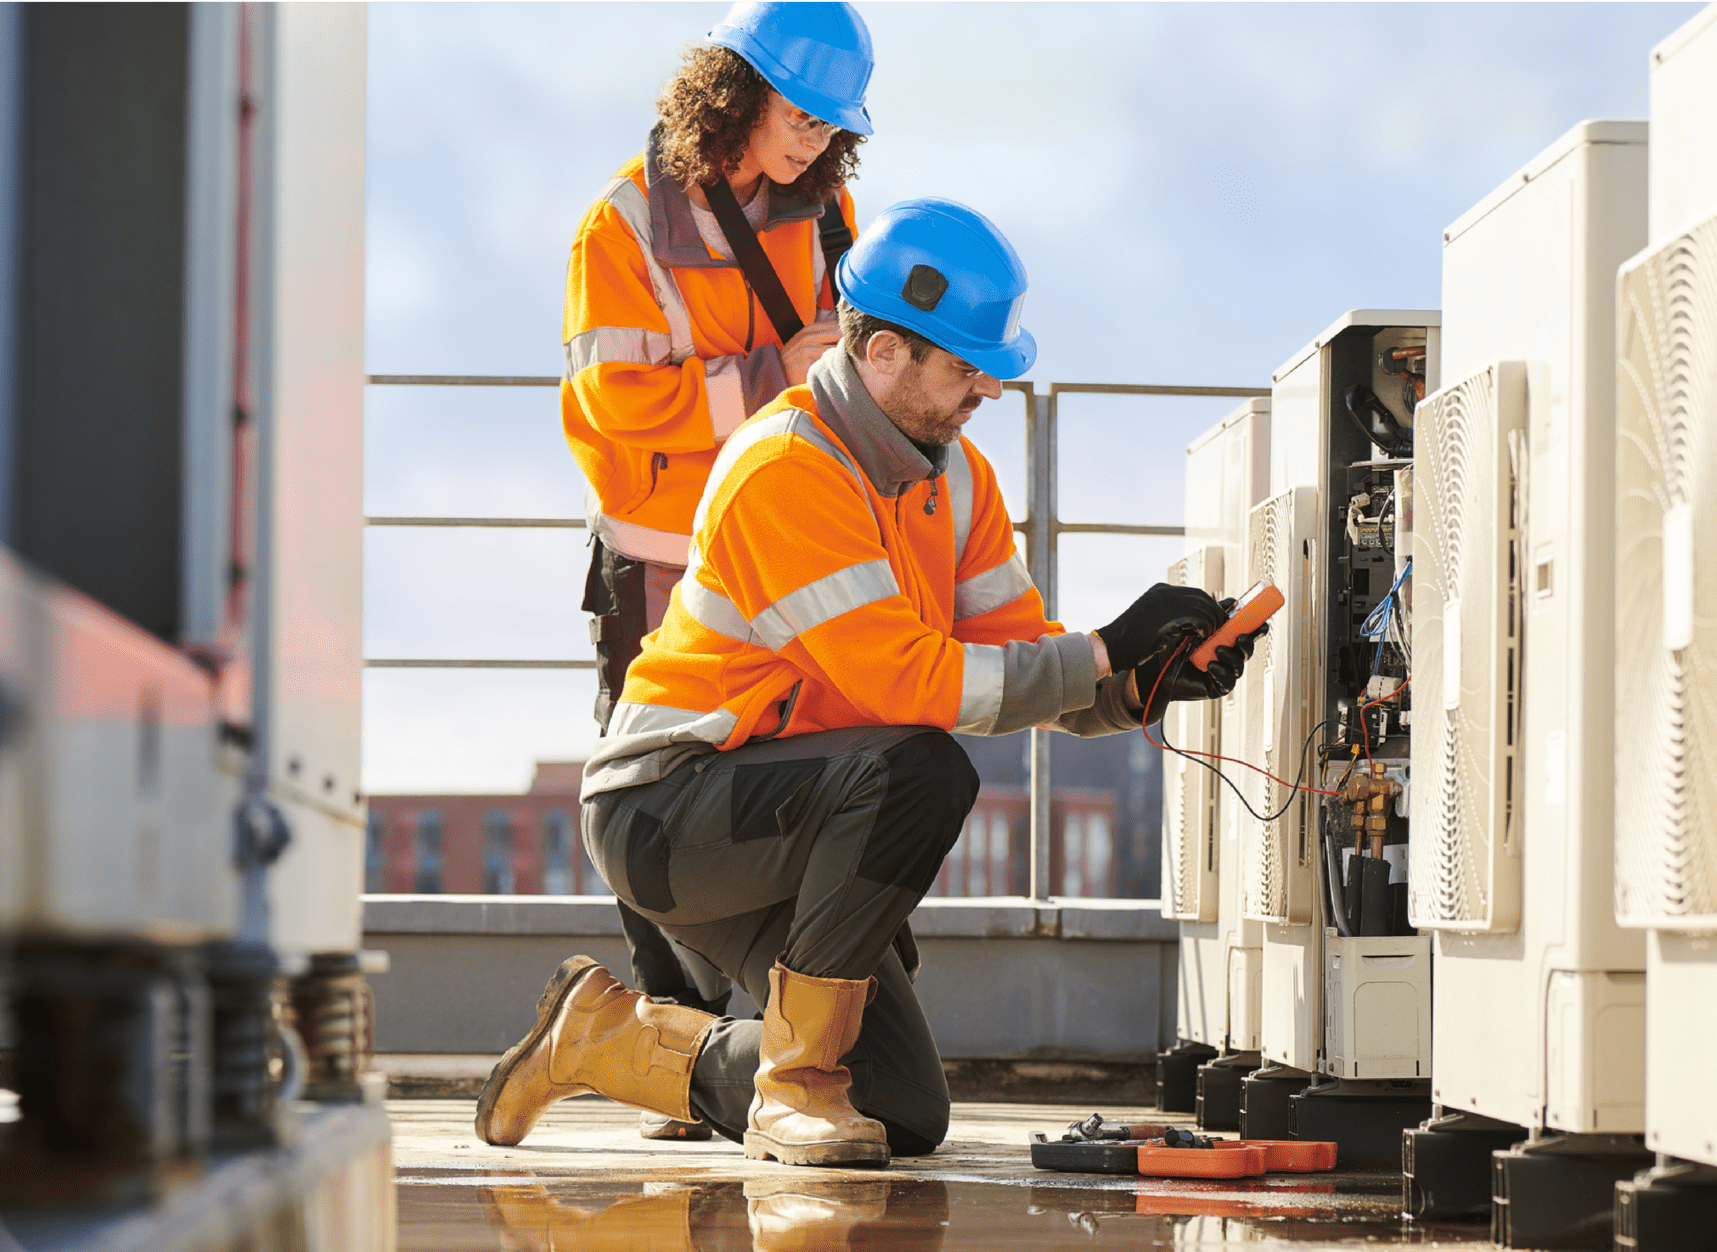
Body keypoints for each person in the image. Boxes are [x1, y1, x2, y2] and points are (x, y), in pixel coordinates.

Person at [476, 198, 1259, 1166]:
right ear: (884, 351)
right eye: (967, 367)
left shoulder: (955, 474)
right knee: (924, 767)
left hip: (798, 814)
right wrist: (1101, 651)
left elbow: (1014, 651)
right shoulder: (783, 468)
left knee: (897, 1112)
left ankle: (607, 1039)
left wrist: (1140, 684)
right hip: (673, 811)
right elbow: (906, 682)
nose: (988, 389)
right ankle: (794, 1089)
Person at [559, 0, 874, 1140]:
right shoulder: (623, 224)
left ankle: (746, 1045)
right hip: (661, 559)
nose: (814, 140)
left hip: (781, 548)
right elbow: (614, 409)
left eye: (832, 125)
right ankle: (665, 1043)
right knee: (653, 797)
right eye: (800, 114)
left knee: (777, 778)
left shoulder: (828, 206)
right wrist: (768, 371)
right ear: (734, 91)